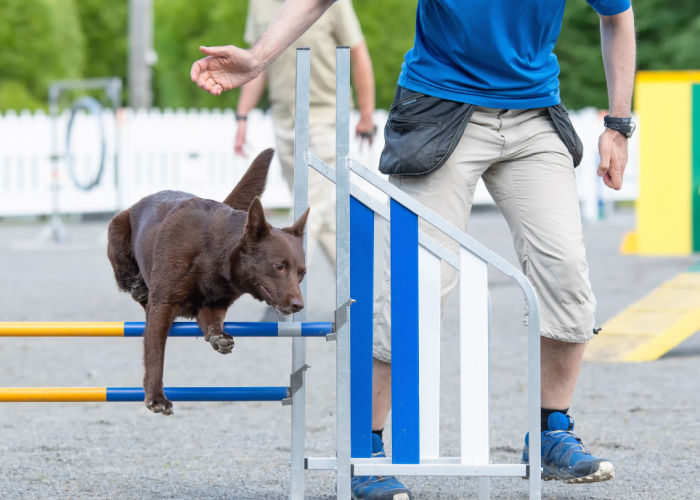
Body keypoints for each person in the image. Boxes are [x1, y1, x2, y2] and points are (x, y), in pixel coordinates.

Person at [191, 1, 636, 499]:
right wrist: (259, 57)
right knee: (413, 286)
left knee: (567, 273)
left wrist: (619, 124)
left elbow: (618, 15)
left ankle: (552, 430)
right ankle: (367, 444)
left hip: (534, 115)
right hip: (439, 111)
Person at [234, 0, 376, 263]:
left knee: (308, 210)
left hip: (325, 119)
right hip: (284, 121)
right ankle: (360, 292)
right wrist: (242, 116)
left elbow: (359, 56)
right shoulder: (259, 4)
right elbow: (256, 65)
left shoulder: (336, 3)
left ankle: (282, 289)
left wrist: (366, 115)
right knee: (319, 216)